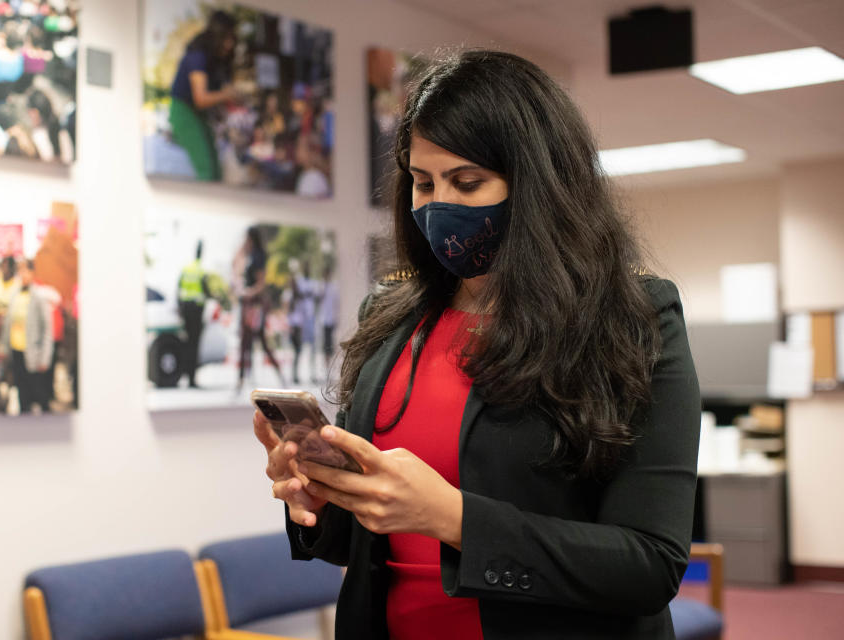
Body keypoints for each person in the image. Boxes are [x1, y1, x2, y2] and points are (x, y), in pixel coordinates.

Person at [255, 50, 701, 640]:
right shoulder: (391, 318)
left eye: (468, 182)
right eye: (422, 182)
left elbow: (649, 564)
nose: (440, 206)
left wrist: (453, 518)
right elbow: (361, 544)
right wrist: (317, 497)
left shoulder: (636, 319)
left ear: (538, 184)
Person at [169, 9, 237, 181]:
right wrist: (226, 95)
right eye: (226, 38)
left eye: (232, 38)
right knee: (206, 169)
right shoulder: (197, 55)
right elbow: (201, 98)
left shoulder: (219, 60)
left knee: (216, 171)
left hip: (200, 114)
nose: (229, 44)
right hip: (183, 111)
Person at [235, 226, 285, 391]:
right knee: (246, 342)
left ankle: (277, 375)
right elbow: (236, 264)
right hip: (250, 304)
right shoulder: (249, 255)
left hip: (254, 304)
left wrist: (249, 292)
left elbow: (261, 283)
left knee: (257, 342)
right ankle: (242, 380)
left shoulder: (258, 256)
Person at [1, 259, 53, 414]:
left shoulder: (38, 295)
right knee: (21, 390)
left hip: (33, 352)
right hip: (16, 349)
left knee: (37, 393)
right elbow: (8, 322)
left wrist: (45, 357)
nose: (23, 275)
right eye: (20, 271)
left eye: (26, 271)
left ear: (32, 273)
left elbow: (47, 329)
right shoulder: (15, 293)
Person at [177, 240, 210, 388]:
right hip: (196, 310)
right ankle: (192, 378)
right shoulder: (200, 270)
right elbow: (206, 290)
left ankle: (185, 375)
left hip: (185, 309)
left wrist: (180, 307)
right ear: (201, 253)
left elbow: (178, 289)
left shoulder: (186, 269)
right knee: (194, 345)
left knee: (187, 343)